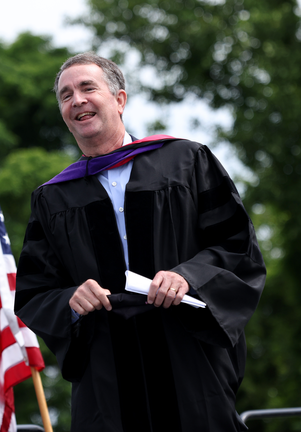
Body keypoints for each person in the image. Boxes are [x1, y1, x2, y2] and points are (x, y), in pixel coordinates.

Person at [14, 52, 266, 431]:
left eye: (87, 88)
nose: (76, 100)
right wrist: (70, 299)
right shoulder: (53, 198)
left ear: (119, 100)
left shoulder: (186, 161)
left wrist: (188, 277)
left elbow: (236, 246)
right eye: (65, 96)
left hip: (186, 357)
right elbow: (35, 292)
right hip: (107, 372)